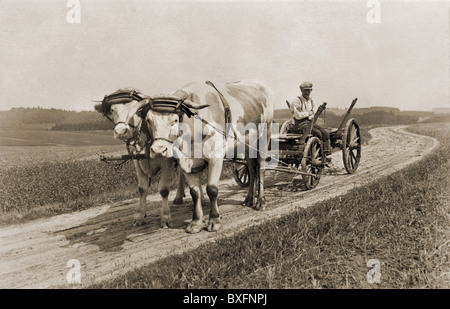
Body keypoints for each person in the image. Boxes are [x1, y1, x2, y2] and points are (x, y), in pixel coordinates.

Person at [288, 81, 332, 155]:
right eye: (305, 90)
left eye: (309, 90)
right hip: (299, 125)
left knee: (325, 133)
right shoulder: (297, 101)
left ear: (311, 90)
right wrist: (308, 113)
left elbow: (314, 114)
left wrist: (306, 114)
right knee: (318, 133)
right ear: (301, 90)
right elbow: (297, 116)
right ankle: (314, 154)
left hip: (309, 123)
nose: (307, 92)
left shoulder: (312, 101)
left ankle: (325, 152)